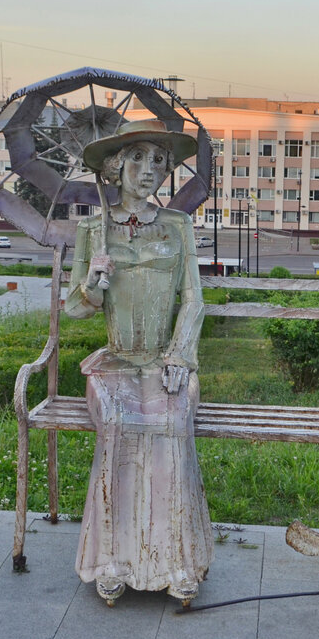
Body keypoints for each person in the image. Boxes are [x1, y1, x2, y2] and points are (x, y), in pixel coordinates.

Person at [64, 119, 211, 606]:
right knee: (120, 424)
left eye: (159, 161)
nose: (149, 170)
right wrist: (94, 284)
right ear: (115, 166)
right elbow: (74, 308)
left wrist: (179, 355)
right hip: (115, 362)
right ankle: (113, 559)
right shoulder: (93, 229)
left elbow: (193, 299)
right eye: (138, 158)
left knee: (171, 421)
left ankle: (176, 561)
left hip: (164, 361)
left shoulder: (177, 226)